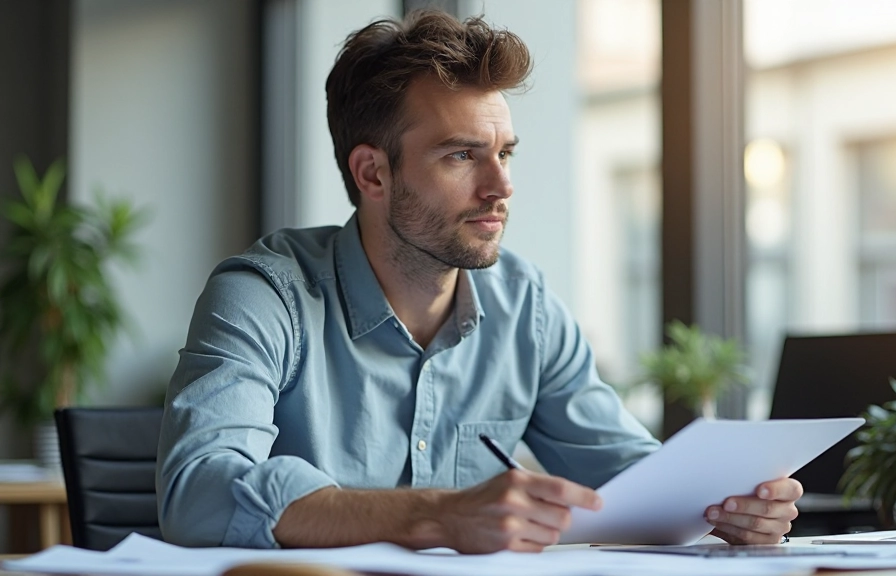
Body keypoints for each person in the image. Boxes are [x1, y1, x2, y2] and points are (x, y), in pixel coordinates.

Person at [156, 10, 801, 553]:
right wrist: (436, 514)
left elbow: (634, 476)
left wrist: (729, 507)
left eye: (505, 153)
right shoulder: (265, 296)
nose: (501, 186)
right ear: (373, 174)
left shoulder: (526, 307)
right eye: (463, 155)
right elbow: (200, 492)